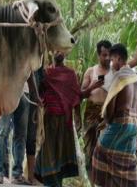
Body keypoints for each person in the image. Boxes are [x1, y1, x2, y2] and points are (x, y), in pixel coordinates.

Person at [91, 43, 137, 187]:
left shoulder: (120, 77)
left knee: (99, 152)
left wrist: (107, 123)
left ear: (119, 59)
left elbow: (110, 108)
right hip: (134, 124)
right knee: (127, 160)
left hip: (120, 123)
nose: (111, 62)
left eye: (112, 59)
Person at [35, 52, 81, 187]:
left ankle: (54, 183)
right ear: (50, 53)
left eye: (61, 50)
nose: (59, 53)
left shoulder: (70, 74)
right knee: (49, 153)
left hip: (64, 120)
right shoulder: (46, 73)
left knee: (60, 154)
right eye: (56, 50)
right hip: (49, 119)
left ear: (66, 53)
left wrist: (79, 118)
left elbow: (76, 95)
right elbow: (39, 91)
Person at [0, 73, 41, 185]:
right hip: (6, 91)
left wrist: (36, 96)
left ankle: (17, 175)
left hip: (24, 93)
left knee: (21, 135)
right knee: (2, 131)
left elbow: (30, 72)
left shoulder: (27, 54)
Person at [80, 40, 112, 176]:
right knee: (90, 150)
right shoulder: (91, 71)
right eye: (104, 55)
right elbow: (80, 95)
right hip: (91, 112)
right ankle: (92, 182)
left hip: (109, 113)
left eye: (109, 55)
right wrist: (93, 86)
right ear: (99, 55)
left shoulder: (115, 71)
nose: (107, 58)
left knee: (106, 150)